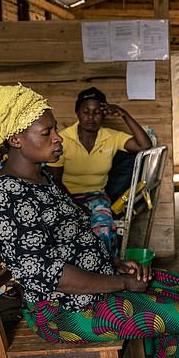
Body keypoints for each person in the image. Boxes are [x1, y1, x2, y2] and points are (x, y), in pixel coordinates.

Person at [0, 84, 179, 358]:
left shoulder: (42, 178)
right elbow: (51, 276)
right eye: (46, 133)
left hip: (94, 284)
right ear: (16, 140)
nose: (57, 137)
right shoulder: (8, 197)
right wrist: (123, 283)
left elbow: (72, 239)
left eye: (55, 129)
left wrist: (115, 263)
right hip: (64, 311)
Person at [47, 87, 152, 257]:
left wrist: (124, 114)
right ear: (77, 113)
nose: (90, 117)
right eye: (85, 111)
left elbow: (144, 145)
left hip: (97, 196)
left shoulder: (111, 136)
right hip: (66, 196)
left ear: (104, 114)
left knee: (103, 229)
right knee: (65, 231)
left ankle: (106, 272)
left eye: (96, 112)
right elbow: (54, 181)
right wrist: (75, 205)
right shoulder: (63, 140)